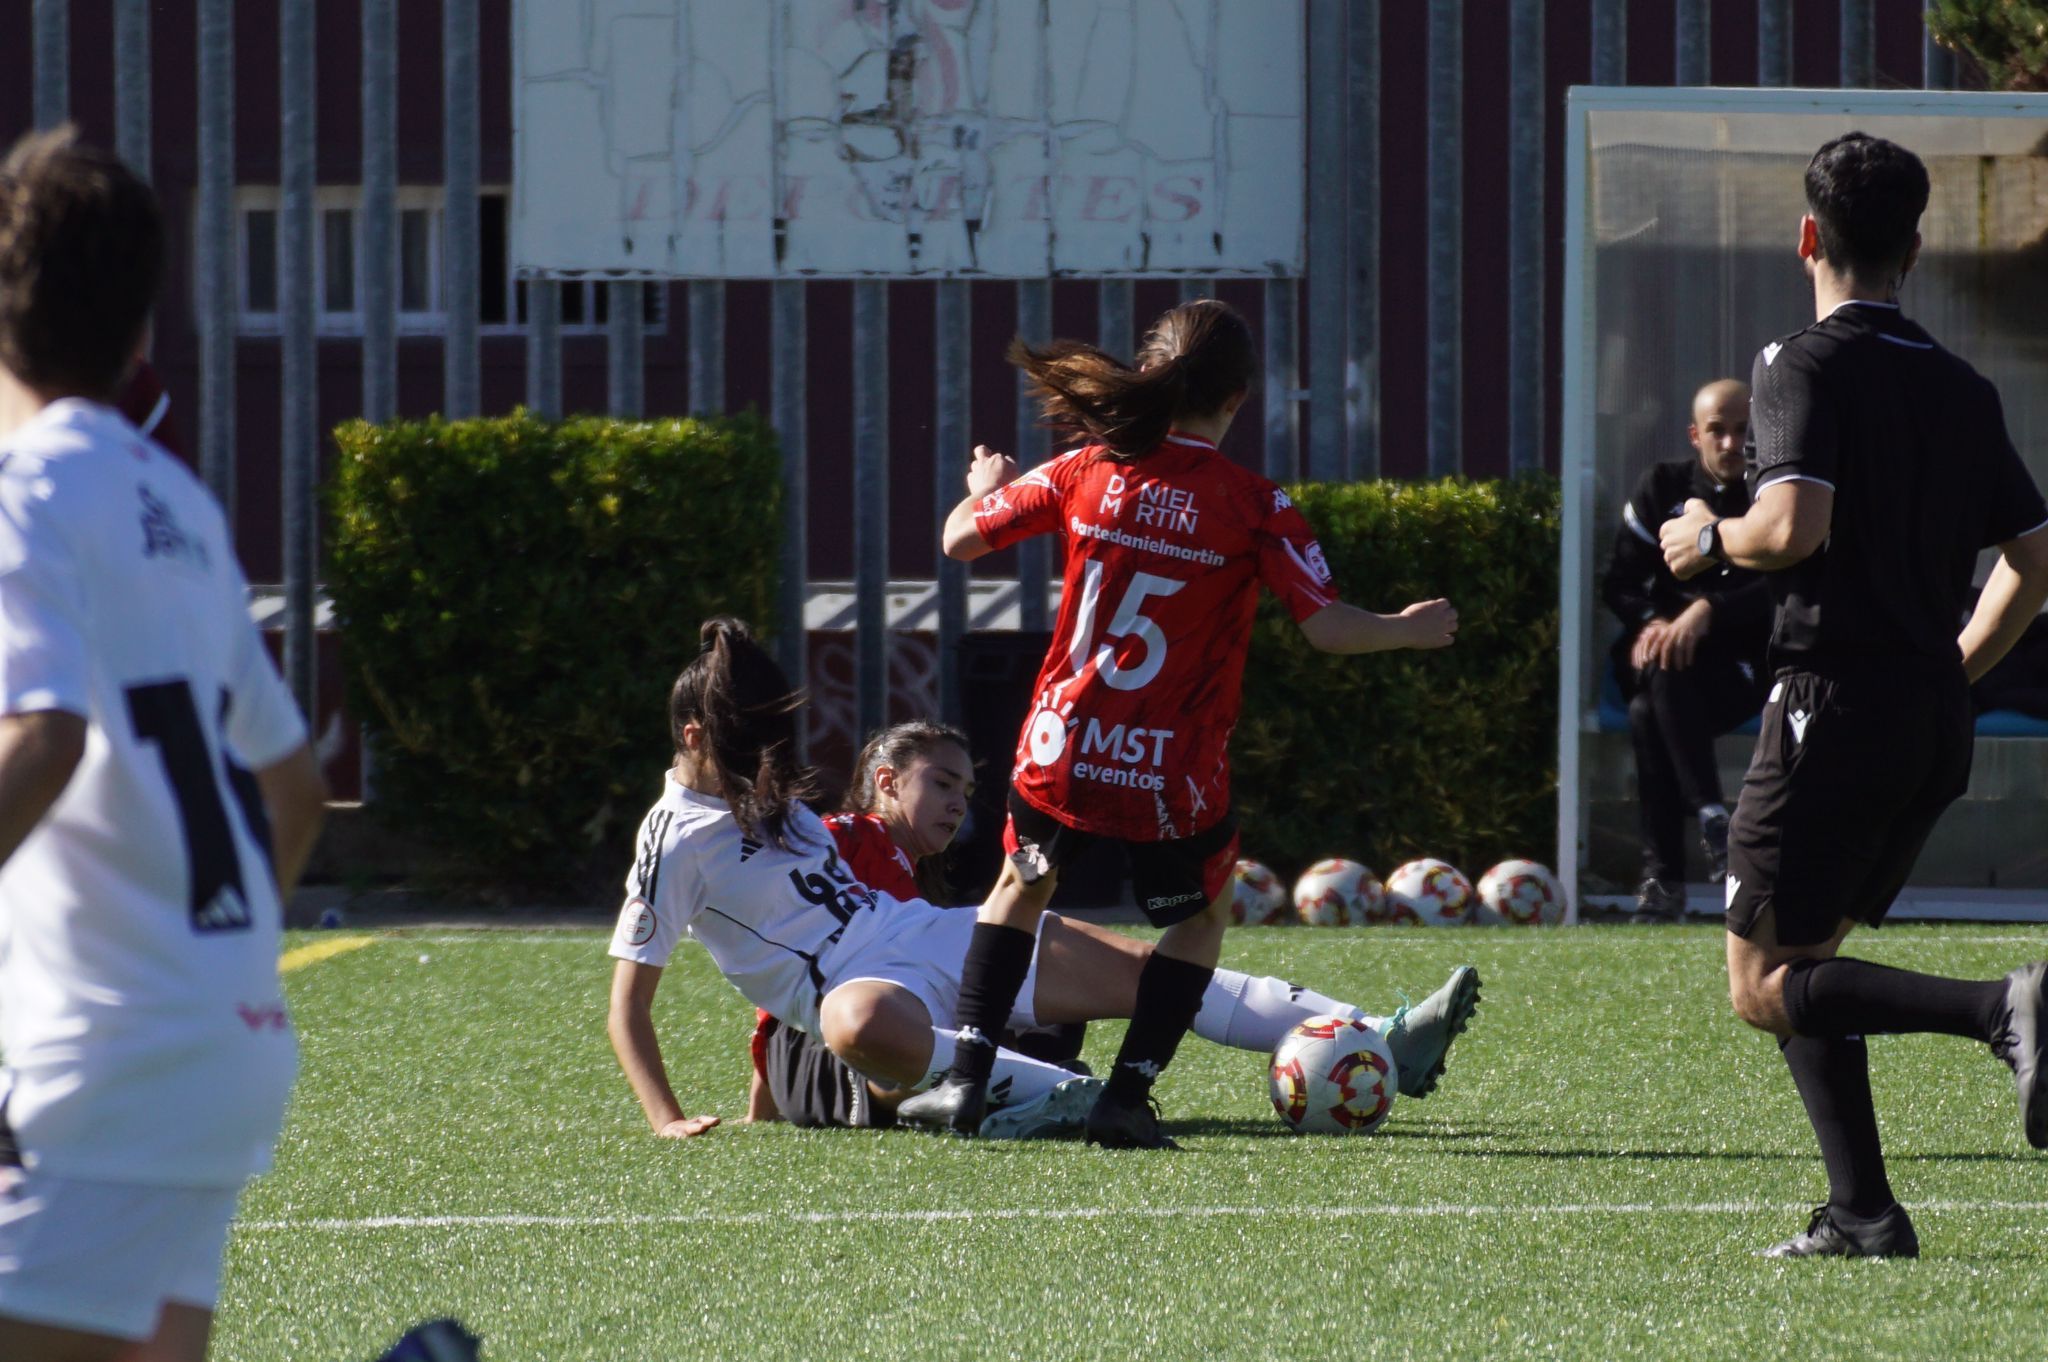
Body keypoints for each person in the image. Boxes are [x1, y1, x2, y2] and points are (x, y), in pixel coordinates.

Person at [901, 298, 1467, 1147]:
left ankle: (966, 1080)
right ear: (1239, 399)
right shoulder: (1254, 504)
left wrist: (984, 489)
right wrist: (1407, 628)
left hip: (1062, 744)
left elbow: (958, 542)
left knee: (1018, 890)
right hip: (1168, 768)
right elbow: (1325, 627)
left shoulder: (1082, 470)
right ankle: (1124, 1100)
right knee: (1198, 919)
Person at [607, 620, 1482, 1143]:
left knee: (1148, 975)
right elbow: (628, 1007)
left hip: (929, 937)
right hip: (860, 993)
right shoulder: (670, 840)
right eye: (748, 737)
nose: (772, 756)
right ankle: (1069, 1100)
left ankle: (1382, 1036)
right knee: (856, 1021)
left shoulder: (778, 807)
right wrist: (665, 1117)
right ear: (692, 735)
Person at [1659, 132, 2048, 1259]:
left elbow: (1788, 528)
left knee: (1761, 981)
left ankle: (2002, 1009)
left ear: (1805, 238)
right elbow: (2033, 556)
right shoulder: (1958, 382)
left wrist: (1704, 541)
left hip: (1831, 702)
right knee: (1809, 957)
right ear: (1913, 249)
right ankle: (1863, 1213)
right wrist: (1953, 666)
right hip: (1928, 712)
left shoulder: (1800, 361)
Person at [0, 129, 328, 1362]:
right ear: (143, 332)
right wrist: (226, 972)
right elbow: (291, 789)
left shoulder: (22, 494)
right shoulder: (176, 503)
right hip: (221, 1046)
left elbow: (41, 737)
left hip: (99, 1063)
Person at [1600, 379, 1772, 920]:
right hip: (1660, 657)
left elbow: (1791, 587)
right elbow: (1619, 584)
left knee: (1648, 709)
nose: (1730, 444)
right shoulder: (1661, 487)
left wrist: (1710, 611)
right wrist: (1655, 621)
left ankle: (1663, 879)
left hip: (1741, 668)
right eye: (1717, 431)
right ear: (1696, 436)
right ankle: (1712, 819)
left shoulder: (1777, 496)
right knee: (1660, 677)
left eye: (1743, 432)